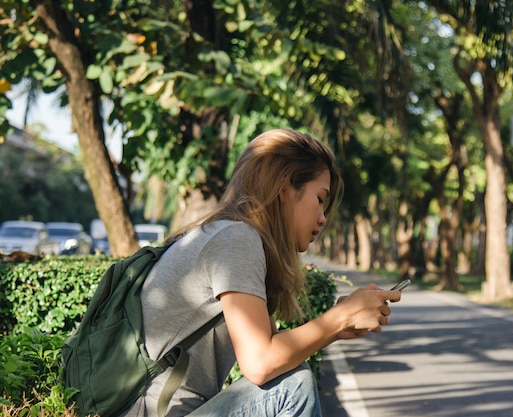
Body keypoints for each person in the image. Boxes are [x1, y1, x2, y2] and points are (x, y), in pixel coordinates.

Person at [124, 128, 402, 417]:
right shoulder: (236, 239)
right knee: (293, 386)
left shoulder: (231, 235)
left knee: (291, 376)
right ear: (284, 188)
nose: (323, 218)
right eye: (320, 199)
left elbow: (272, 356)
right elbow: (261, 363)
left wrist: (337, 327)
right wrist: (337, 318)